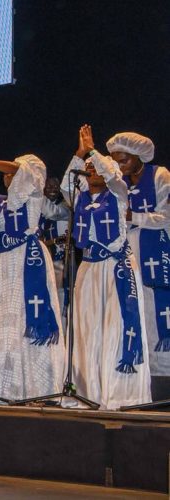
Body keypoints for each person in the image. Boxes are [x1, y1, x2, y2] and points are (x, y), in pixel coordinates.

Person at [0, 153, 65, 402]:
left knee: (28, 316)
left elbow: (21, 169)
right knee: (5, 322)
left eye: (13, 173)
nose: (9, 176)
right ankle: (5, 385)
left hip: (29, 259)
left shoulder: (34, 195)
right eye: (6, 175)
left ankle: (39, 386)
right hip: (5, 264)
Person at [63, 125, 150, 409]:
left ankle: (119, 393)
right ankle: (89, 391)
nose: (91, 170)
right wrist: (79, 154)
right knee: (88, 329)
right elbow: (65, 187)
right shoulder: (80, 197)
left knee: (115, 327)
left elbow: (113, 176)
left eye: (96, 167)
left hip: (116, 268)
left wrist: (92, 151)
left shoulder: (119, 193)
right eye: (87, 169)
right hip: (89, 268)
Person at [105, 132, 170, 386]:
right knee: (133, 306)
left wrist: (134, 217)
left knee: (156, 308)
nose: (119, 166)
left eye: (124, 161)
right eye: (115, 161)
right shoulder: (117, 182)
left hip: (157, 249)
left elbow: (166, 216)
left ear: (138, 156)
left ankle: (163, 372)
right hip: (127, 251)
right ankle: (138, 371)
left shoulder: (160, 175)